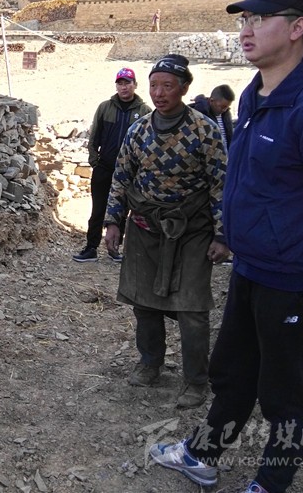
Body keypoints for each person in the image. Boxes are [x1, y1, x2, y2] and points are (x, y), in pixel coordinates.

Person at [150, 0, 303, 493]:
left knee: (285, 392)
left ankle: (271, 483)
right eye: (244, 19)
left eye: (260, 19)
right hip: (253, 265)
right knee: (233, 372)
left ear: (297, 27)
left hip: (296, 278)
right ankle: (202, 454)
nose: (246, 29)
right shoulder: (255, 93)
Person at [104, 54, 228, 409]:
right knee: (143, 304)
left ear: (184, 89)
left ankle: (196, 380)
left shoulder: (204, 131)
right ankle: (150, 362)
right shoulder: (138, 130)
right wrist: (113, 222)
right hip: (146, 228)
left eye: (168, 86)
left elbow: (221, 184)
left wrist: (222, 235)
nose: (159, 93)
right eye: (154, 85)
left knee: (192, 310)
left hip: (192, 231)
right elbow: (122, 177)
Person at [72, 67, 151, 263]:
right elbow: (94, 137)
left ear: (135, 85)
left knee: (122, 211)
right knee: (98, 209)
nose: (124, 87)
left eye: (127, 83)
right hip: (105, 168)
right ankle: (91, 248)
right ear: (116, 86)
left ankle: (115, 249)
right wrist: (95, 162)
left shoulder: (144, 112)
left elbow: (148, 143)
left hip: (129, 173)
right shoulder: (105, 107)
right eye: (120, 83)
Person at [190, 85, 235, 151]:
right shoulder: (198, 113)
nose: (224, 110)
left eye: (227, 107)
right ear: (211, 100)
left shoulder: (226, 114)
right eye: (222, 107)